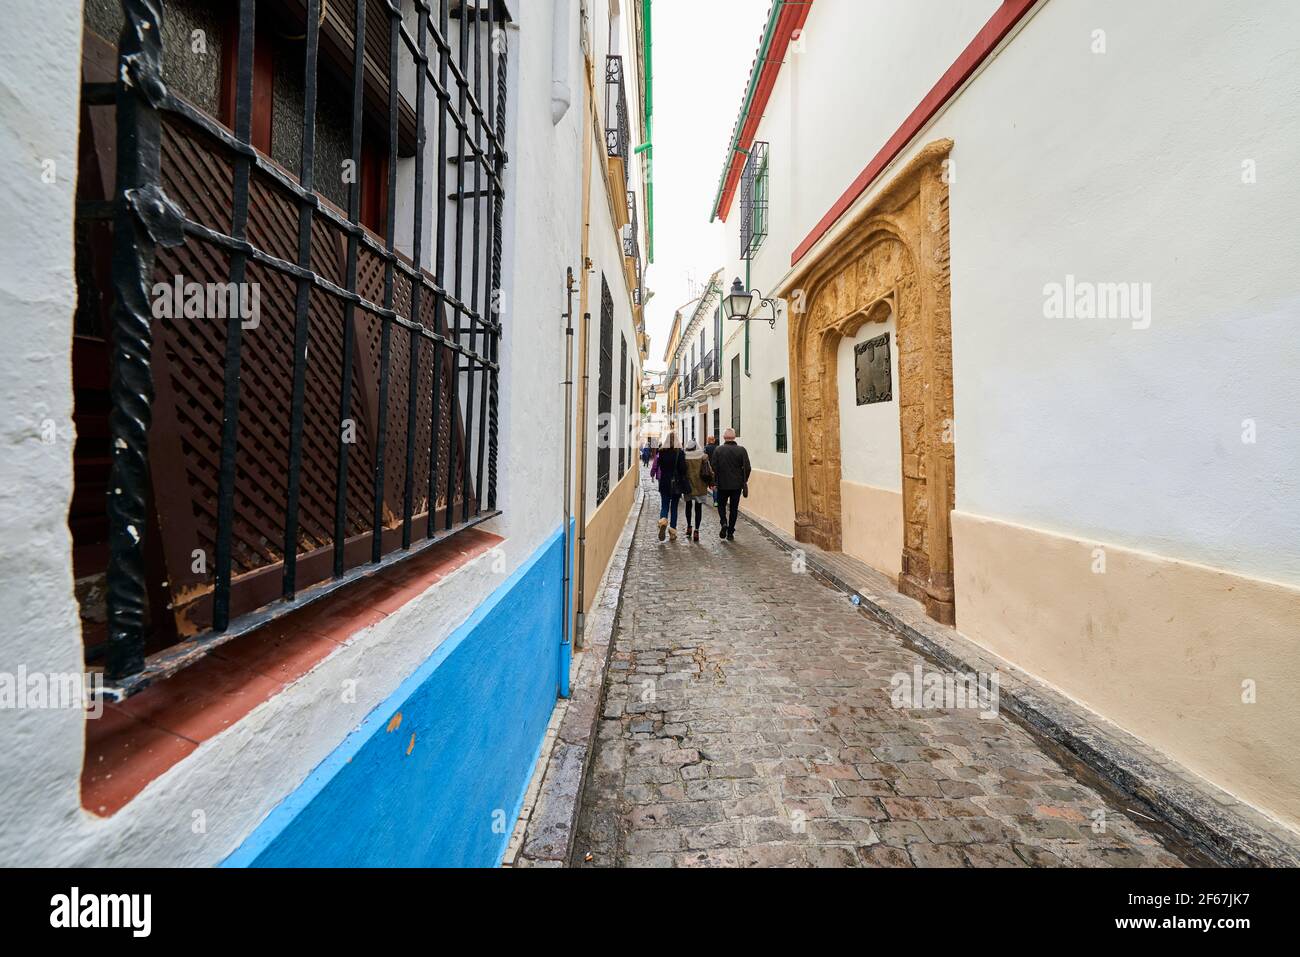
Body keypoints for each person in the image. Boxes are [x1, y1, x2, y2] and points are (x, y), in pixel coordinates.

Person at [711, 428, 751, 542]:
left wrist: (714, 482)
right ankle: (730, 532)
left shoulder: (718, 450)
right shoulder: (741, 450)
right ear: (734, 437)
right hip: (736, 486)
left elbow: (713, 468)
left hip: (722, 485)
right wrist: (744, 480)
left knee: (721, 506)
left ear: (724, 438)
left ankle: (724, 522)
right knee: (734, 509)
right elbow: (748, 468)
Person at [655, 430, 688, 542]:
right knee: (674, 507)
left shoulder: (661, 452)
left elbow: (661, 467)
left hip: (664, 482)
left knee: (664, 505)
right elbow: (683, 469)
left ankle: (663, 521)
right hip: (676, 483)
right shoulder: (680, 453)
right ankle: (672, 532)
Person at [681, 439, 715, 543]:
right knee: (698, 508)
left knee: (688, 506)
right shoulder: (703, 456)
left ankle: (689, 527)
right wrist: (711, 483)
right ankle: (696, 530)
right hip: (700, 486)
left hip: (688, 486)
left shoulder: (684, 456)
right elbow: (709, 470)